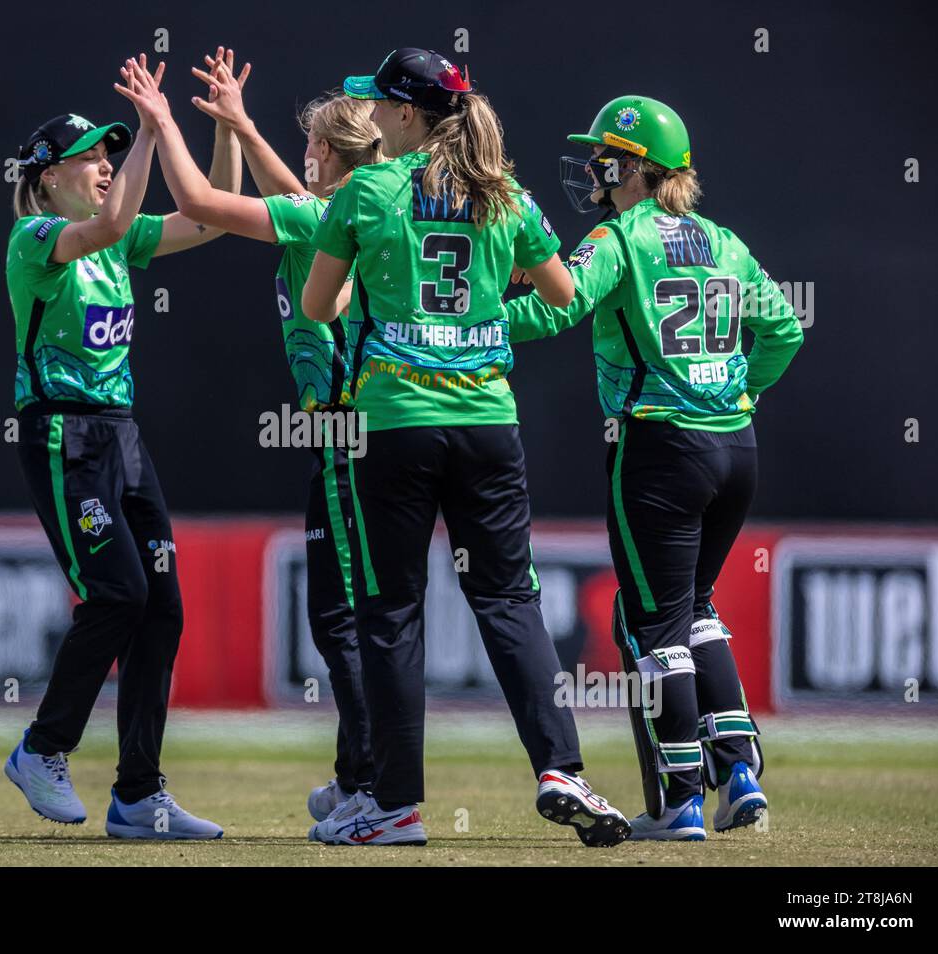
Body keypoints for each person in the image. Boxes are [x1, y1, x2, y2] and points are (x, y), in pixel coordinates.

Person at [300, 48, 630, 848]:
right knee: (510, 599)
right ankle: (561, 767)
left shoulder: (368, 190)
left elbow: (319, 305)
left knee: (391, 613)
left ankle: (395, 807)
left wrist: (382, 293)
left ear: (409, 115)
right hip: (488, 421)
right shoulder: (503, 195)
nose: (372, 117)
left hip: (395, 426)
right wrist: (475, 320)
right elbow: (562, 293)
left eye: (381, 105)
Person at [506, 95, 804, 839]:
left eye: (601, 158)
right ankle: (738, 773)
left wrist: (474, 324)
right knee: (696, 608)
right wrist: (740, 390)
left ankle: (678, 803)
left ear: (629, 167)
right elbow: (785, 329)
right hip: (736, 446)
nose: (591, 171)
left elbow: (556, 307)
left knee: (652, 626)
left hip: (659, 450)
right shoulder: (723, 240)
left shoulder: (619, 236)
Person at [114, 51, 382, 823]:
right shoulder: (346, 214)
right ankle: (360, 773)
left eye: (313, 142)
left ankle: (370, 784)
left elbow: (201, 198)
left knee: (341, 621)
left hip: (342, 435)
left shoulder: (321, 216)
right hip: (370, 434)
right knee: (365, 616)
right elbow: (290, 196)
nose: (303, 154)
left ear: (325, 152)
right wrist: (240, 123)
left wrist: (164, 124)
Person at [2, 54, 241, 840]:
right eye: (90, 157)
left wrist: (221, 127)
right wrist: (147, 129)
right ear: (46, 178)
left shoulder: (117, 242)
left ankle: (140, 797)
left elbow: (209, 216)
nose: (105, 166)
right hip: (64, 436)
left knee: (162, 607)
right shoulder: (36, 239)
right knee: (118, 594)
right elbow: (106, 222)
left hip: (124, 439)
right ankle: (42, 749)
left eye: (111, 154)